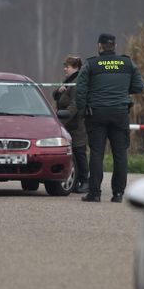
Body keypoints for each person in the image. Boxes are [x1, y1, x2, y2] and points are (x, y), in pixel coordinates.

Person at [75, 33, 144, 203]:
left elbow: (80, 90)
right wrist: (121, 91)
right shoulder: (128, 63)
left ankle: (95, 193)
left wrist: (83, 111)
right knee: (120, 154)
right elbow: (138, 87)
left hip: (96, 113)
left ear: (99, 46)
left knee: (97, 153)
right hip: (120, 113)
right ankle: (118, 194)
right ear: (114, 45)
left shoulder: (91, 64)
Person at [53, 55, 90, 194]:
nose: (64, 69)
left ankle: (85, 181)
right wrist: (58, 91)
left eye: (67, 66)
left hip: (76, 126)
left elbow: (74, 106)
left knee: (80, 154)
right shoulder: (68, 81)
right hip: (67, 125)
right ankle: (76, 182)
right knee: (73, 155)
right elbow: (55, 95)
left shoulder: (77, 83)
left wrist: (59, 123)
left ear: (75, 68)